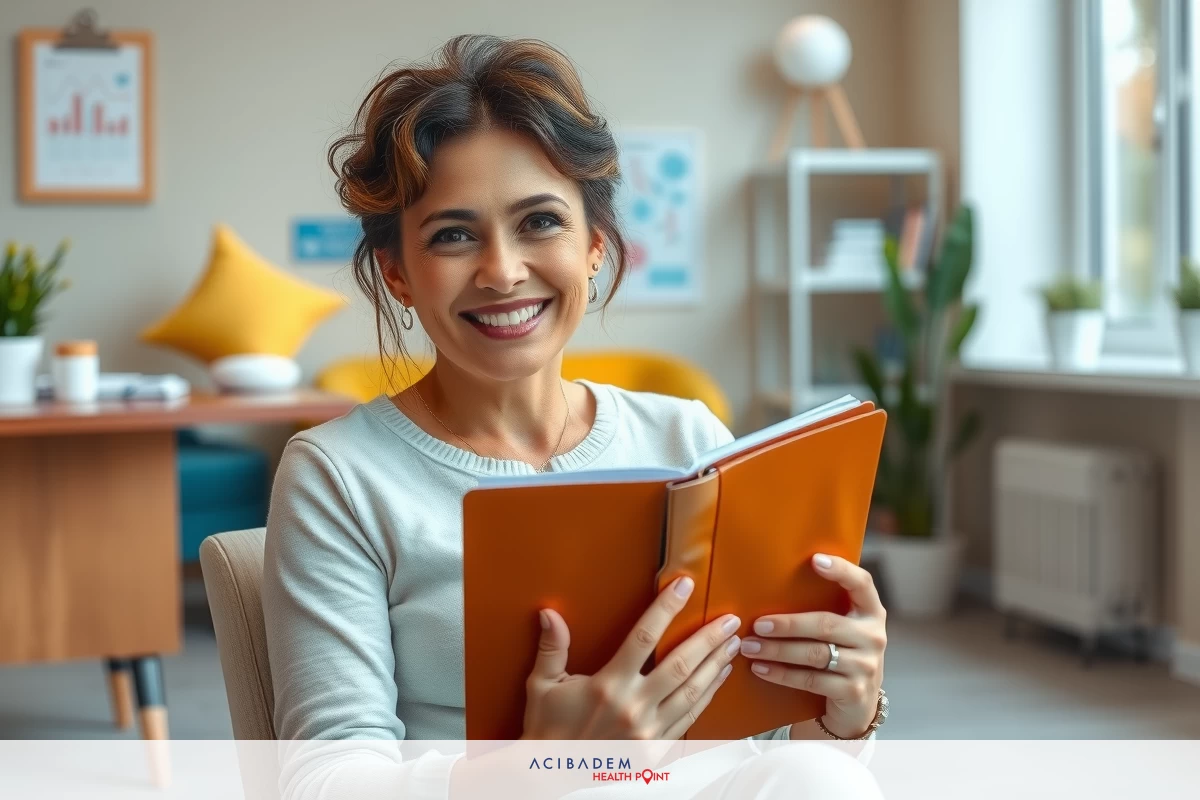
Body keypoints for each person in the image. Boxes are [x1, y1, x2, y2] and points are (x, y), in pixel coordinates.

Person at [261, 34, 888, 800]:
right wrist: (540, 769)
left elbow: (756, 743)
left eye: (540, 223)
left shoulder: (690, 441)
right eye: (453, 235)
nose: (502, 271)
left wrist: (841, 712)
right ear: (397, 273)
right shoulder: (339, 476)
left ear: (594, 244)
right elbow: (325, 781)